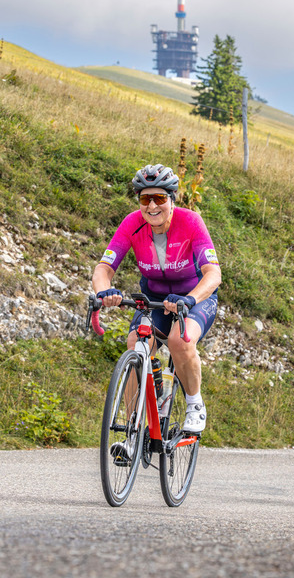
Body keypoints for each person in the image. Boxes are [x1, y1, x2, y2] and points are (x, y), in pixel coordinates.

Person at [92, 163, 221, 452]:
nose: (152, 206)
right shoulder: (132, 224)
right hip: (155, 297)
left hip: (194, 296)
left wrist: (191, 299)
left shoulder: (190, 221)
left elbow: (213, 274)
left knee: (179, 340)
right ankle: (132, 433)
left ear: (172, 199)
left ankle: (195, 404)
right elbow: (103, 268)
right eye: (145, 199)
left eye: (159, 198)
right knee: (135, 343)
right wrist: (104, 292)